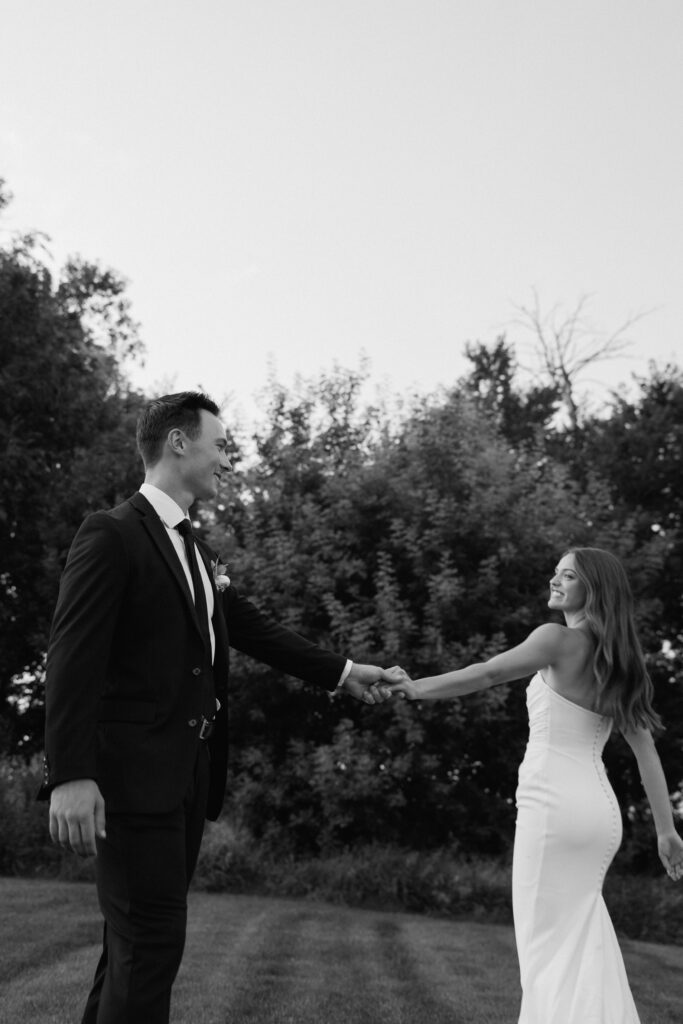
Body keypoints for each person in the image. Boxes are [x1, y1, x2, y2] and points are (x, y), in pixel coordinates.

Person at [39, 391, 391, 1024]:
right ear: (179, 442)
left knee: (133, 950)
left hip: (184, 783)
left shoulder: (196, 552)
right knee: (149, 948)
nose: (229, 458)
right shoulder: (112, 534)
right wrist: (69, 772)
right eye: (221, 444)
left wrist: (341, 672)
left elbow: (251, 628)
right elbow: (72, 659)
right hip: (129, 781)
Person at [384, 547, 683, 1024]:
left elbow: (488, 673)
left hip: (553, 810)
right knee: (584, 940)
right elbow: (647, 753)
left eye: (569, 576)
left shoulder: (557, 640)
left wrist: (417, 687)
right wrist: (666, 832)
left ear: (594, 590)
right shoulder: (618, 660)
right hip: (597, 818)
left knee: (545, 955)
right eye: (556, 572)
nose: (555, 580)